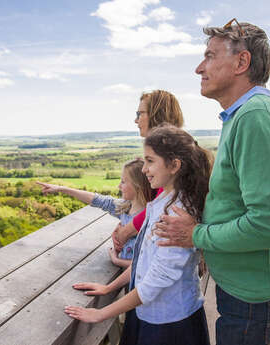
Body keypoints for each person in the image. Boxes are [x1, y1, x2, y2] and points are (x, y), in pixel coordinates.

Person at [154, 19, 270, 345]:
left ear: (241, 63)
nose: (200, 67)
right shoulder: (243, 115)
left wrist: (196, 234)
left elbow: (268, 226)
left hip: (256, 299)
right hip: (250, 293)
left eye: (210, 56)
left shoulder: (256, 118)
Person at [65, 125, 212, 345]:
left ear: (174, 165)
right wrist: (109, 288)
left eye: (150, 161)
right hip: (153, 315)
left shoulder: (175, 214)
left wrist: (101, 313)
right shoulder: (163, 204)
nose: (144, 169)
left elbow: (156, 280)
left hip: (171, 326)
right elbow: (145, 262)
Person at [36, 158, 153, 268]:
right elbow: (96, 199)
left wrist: (117, 261)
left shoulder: (151, 218)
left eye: (123, 182)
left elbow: (147, 265)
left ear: (138, 186)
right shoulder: (125, 207)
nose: (119, 186)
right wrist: (61, 189)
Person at [112, 90, 184, 253]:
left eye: (140, 113)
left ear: (156, 115)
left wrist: (127, 230)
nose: (136, 120)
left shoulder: (173, 155)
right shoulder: (172, 150)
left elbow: (161, 204)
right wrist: (124, 225)